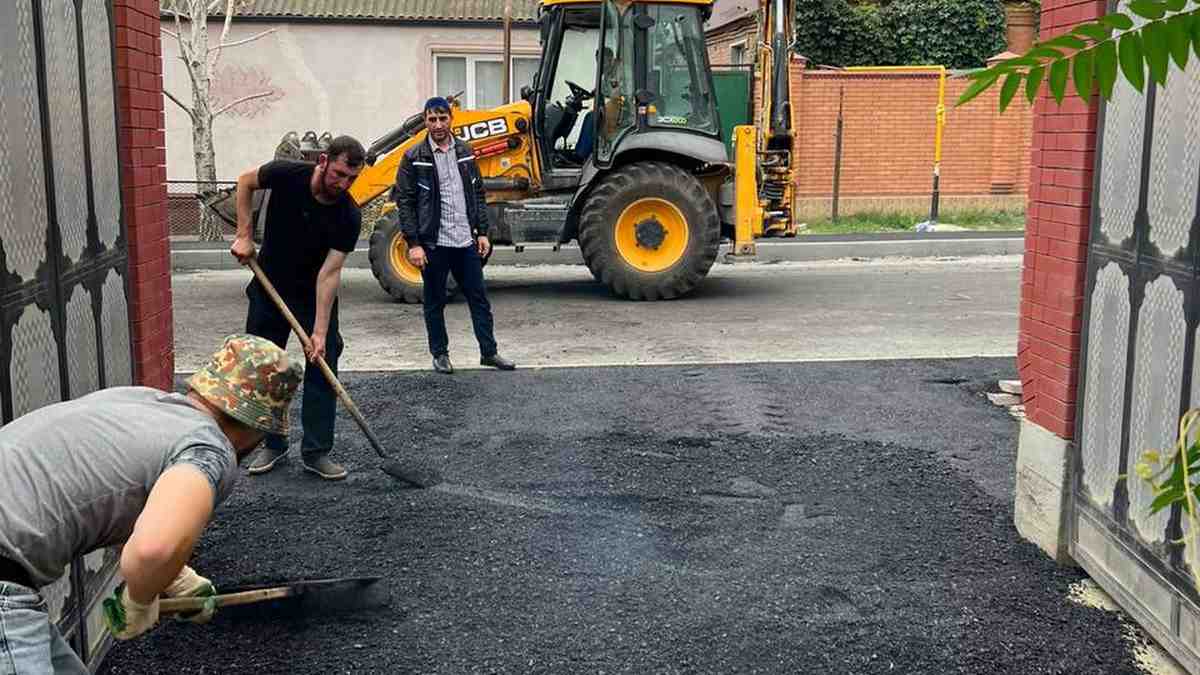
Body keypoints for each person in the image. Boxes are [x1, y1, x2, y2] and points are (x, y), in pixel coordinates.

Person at [0, 334, 302, 672]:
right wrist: (139, 600)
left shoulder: (141, 401)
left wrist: (175, 577)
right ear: (257, 429)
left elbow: (110, 492)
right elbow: (153, 549)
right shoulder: (208, 448)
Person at [229, 135, 365, 480]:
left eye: (351, 178)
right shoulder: (287, 174)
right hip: (269, 284)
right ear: (323, 160)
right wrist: (244, 235)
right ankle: (272, 443)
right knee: (266, 365)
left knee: (323, 358)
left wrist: (319, 331)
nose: (343, 184)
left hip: (310, 294)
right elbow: (245, 182)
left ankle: (316, 451)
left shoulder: (348, 214)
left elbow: (330, 273)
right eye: (338, 174)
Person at [393, 97, 516, 375]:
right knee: (435, 301)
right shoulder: (414, 157)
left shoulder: (465, 152)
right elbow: (406, 202)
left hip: (465, 241)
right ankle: (440, 354)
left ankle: (489, 352)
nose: (437, 125)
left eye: (442, 118)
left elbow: (478, 193)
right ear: (425, 121)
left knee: (479, 299)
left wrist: (482, 232)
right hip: (434, 244)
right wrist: (414, 244)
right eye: (431, 119)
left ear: (451, 119)